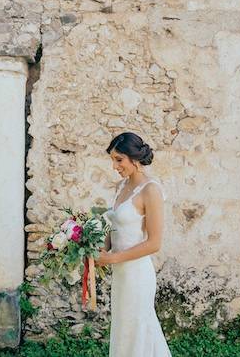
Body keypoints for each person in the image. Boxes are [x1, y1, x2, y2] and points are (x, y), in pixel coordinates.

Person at [96, 132, 172, 357]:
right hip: (120, 274)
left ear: (134, 159)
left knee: (140, 328)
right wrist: (100, 249)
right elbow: (113, 225)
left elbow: (154, 243)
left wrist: (112, 258)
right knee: (124, 330)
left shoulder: (151, 190)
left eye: (119, 160)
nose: (114, 166)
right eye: (112, 159)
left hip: (137, 274)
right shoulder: (120, 187)